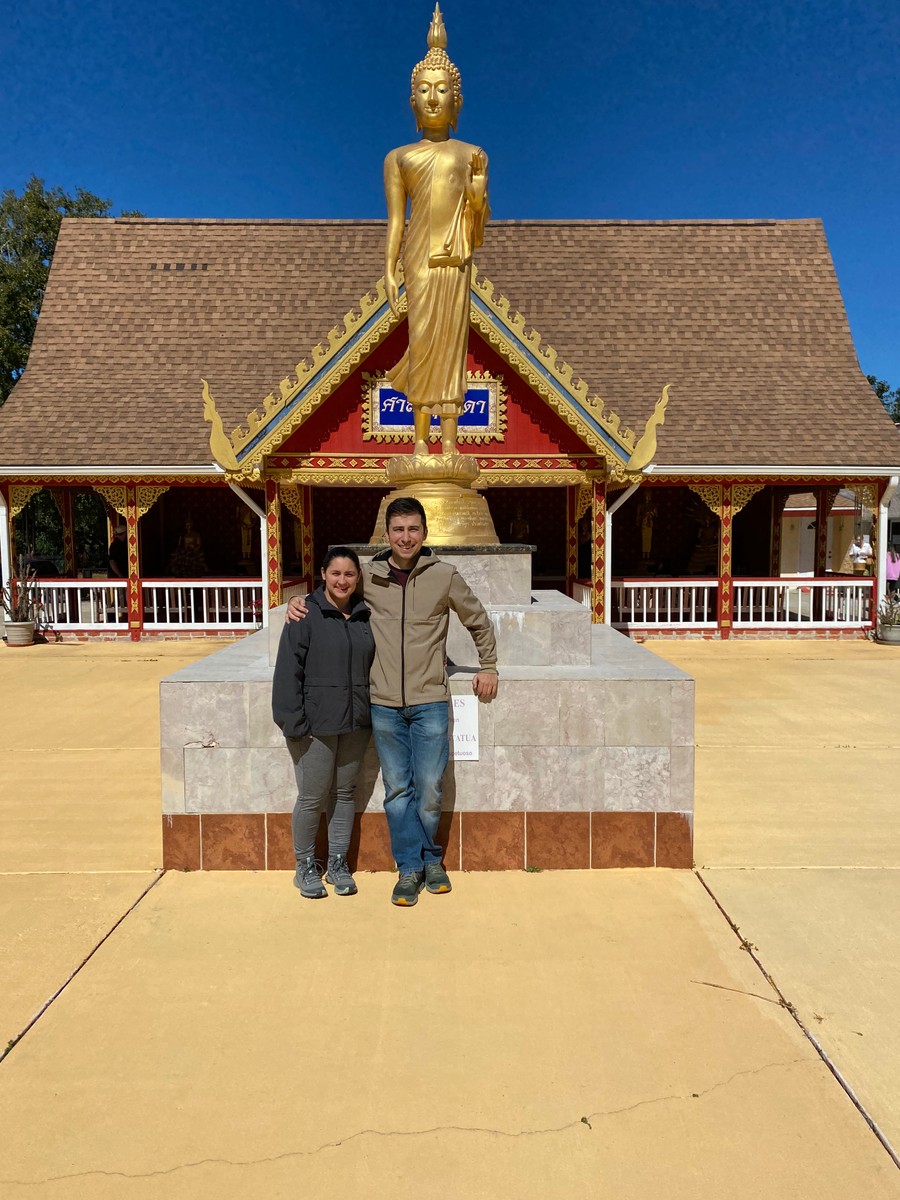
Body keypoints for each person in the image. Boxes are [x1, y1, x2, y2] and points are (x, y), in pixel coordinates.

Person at [287, 496, 498, 906]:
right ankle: (411, 868)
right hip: (382, 703)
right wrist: (302, 602)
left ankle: (429, 859)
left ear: (424, 533)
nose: (406, 537)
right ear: (387, 534)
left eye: (413, 529)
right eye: (398, 529)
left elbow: (478, 620)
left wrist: (488, 665)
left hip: (430, 699)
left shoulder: (444, 575)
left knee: (431, 788)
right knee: (398, 789)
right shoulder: (371, 576)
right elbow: (337, 589)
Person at [383, 5, 489, 457]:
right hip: (419, 262)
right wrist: (389, 269)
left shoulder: (471, 154)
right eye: (423, 89)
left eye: (441, 90)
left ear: (456, 101)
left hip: (456, 259)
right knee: (423, 343)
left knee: (450, 349)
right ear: (412, 100)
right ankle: (420, 440)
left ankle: (449, 442)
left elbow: (477, 228)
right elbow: (396, 220)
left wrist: (479, 195)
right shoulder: (399, 158)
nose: (432, 98)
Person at [272, 547, 375, 900]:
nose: (342, 581)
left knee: (344, 794)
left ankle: (337, 862)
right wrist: (294, 723)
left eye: (349, 574)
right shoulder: (305, 614)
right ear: (323, 575)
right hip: (314, 725)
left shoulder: (365, 615)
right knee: (313, 797)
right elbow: (288, 672)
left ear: (358, 577)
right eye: (335, 574)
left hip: (356, 723)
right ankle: (304, 866)